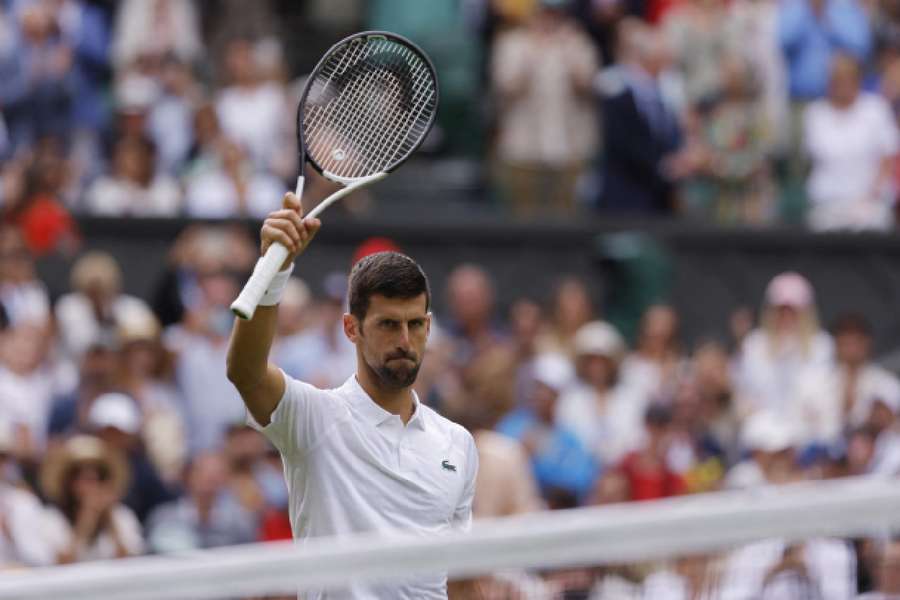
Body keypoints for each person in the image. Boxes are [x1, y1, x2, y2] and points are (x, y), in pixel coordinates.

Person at [226, 192, 479, 599]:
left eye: (415, 324)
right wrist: (274, 271)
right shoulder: (314, 418)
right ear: (351, 328)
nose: (404, 339)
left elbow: (461, 580)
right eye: (387, 325)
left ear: (429, 327)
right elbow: (245, 371)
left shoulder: (458, 443)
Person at [804, 54, 900, 231]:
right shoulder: (815, 113)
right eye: (837, 80)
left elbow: (888, 160)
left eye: (847, 79)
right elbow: (814, 160)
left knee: (875, 221)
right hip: (828, 205)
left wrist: (870, 198)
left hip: (870, 205)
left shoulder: (876, 109)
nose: (842, 85)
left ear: (858, 80)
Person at [39, 435, 144, 563]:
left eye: (99, 477)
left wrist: (109, 519)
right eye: (82, 477)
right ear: (68, 483)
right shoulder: (52, 518)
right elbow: (60, 565)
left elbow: (131, 563)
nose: (92, 485)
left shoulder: (121, 515)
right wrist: (86, 521)